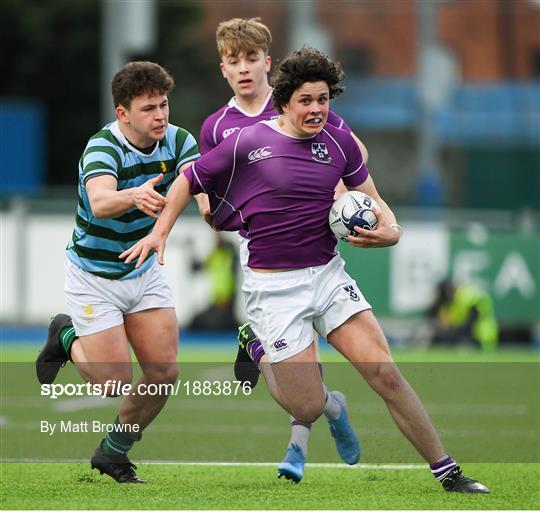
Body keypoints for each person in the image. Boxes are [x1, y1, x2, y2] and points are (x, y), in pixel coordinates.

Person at [120, 47, 489, 493]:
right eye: (306, 101)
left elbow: (371, 196)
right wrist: (160, 232)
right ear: (285, 102)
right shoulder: (248, 142)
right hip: (274, 288)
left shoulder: (339, 142)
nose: (316, 109)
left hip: (329, 275)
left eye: (323, 100)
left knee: (385, 372)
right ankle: (257, 346)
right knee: (309, 406)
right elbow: (189, 179)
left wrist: (391, 230)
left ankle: (448, 472)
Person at [195, 17, 368, 482]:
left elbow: (354, 154)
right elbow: (205, 197)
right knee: (298, 370)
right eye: (235, 61)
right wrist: (211, 210)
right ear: (224, 70)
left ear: (268, 63)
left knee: (309, 359)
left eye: (252, 58)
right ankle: (326, 413)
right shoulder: (218, 127)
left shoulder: (300, 102)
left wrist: (340, 196)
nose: (245, 68)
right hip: (263, 258)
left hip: (318, 250)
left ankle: (298, 445)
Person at [35, 61, 200, 483]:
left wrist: (214, 208)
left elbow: (196, 187)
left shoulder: (179, 140)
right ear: (123, 113)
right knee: (112, 383)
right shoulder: (103, 147)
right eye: (149, 108)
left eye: (164, 105)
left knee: (164, 374)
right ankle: (65, 334)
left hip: (143, 271)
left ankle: (113, 452)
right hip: (94, 275)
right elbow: (102, 201)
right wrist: (135, 194)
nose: (161, 115)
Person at [188, 232, 240, 331]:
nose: (217, 239)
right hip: (216, 299)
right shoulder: (215, 255)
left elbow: (230, 247)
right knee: (198, 322)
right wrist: (191, 250)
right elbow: (197, 267)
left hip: (228, 299)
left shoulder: (229, 253)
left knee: (223, 326)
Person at [428, 278, 499, 350]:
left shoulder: (469, 295)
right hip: (468, 334)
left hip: (481, 336)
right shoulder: (452, 302)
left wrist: (452, 333)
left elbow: (471, 323)